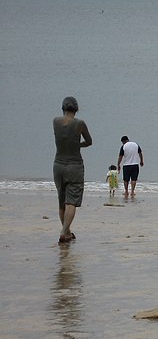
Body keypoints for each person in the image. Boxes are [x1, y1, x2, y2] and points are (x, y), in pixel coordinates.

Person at [53, 96, 92, 243]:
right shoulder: (79, 123)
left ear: (63, 108)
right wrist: (78, 145)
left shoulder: (55, 122)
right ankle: (64, 231)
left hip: (58, 164)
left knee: (62, 200)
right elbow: (89, 141)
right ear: (76, 109)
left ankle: (67, 231)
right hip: (74, 166)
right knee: (71, 202)